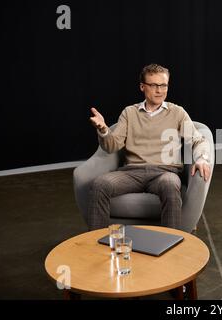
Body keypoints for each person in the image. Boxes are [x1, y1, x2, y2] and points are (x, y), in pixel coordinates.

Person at [87, 63, 211, 231]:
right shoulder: (129, 113)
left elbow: (198, 140)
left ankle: (170, 246)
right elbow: (112, 145)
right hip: (132, 173)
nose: (159, 90)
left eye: (163, 85)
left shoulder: (177, 113)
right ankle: (97, 245)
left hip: (165, 172)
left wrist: (202, 158)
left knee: (170, 185)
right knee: (99, 184)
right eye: (154, 85)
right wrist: (103, 129)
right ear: (142, 87)